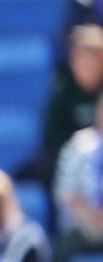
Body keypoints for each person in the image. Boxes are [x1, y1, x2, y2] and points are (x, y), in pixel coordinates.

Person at [41, 25, 103, 179]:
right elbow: (54, 139)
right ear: (71, 60)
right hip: (74, 165)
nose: (88, 63)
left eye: (94, 55)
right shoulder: (61, 91)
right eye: (81, 56)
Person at [52, 94, 103, 262]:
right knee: (60, 256)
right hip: (83, 226)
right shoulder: (78, 144)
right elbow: (64, 193)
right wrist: (90, 215)